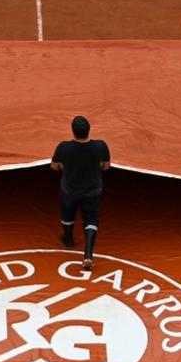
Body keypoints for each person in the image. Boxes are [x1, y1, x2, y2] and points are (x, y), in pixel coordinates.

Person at [50, 116, 111, 271]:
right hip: (92, 190)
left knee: (67, 215)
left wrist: (66, 168)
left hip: (70, 190)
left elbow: (54, 166)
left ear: (73, 131)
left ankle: (69, 240)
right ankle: (88, 255)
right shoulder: (100, 146)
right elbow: (106, 167)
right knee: (91, 219)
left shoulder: (64, 147)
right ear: (89, 130)